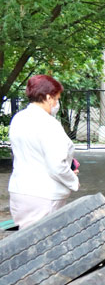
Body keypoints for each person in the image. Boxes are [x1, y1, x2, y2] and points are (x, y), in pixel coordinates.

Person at [8, 75, 80, 229]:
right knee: (45, 246)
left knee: (25, 243)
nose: (57, 103)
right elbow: (57, 166)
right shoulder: (49, 124)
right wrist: (73, 180)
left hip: (19, 192)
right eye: (57, 98)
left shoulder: (18, 119)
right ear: (48, 97)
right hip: (44, 195)